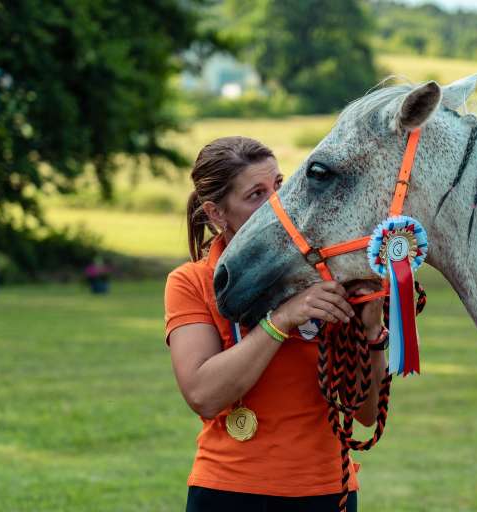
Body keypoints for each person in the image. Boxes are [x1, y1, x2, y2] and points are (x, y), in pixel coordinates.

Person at [163, 136, 389, 512]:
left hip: (329, 491)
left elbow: (365, 414)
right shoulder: (191, 281)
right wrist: (283, 319)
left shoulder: (329, 279)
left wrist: (370, 330)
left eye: (280, 186)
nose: (278, 204)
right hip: (230, 492)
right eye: (256, 194)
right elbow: (203, 395)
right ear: (216, 213)